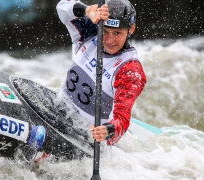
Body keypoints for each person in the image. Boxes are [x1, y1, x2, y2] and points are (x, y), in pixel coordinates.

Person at [56, 0, 147, 145]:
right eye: (105, 31)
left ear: (131, 29)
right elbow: (62, 7)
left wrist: (106, 131)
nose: (110, 40)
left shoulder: (129, 71)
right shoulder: (89, 32)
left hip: (86, 135)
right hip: (59, 109)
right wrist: (87, 11)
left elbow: (122, 121)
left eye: (117, 33)